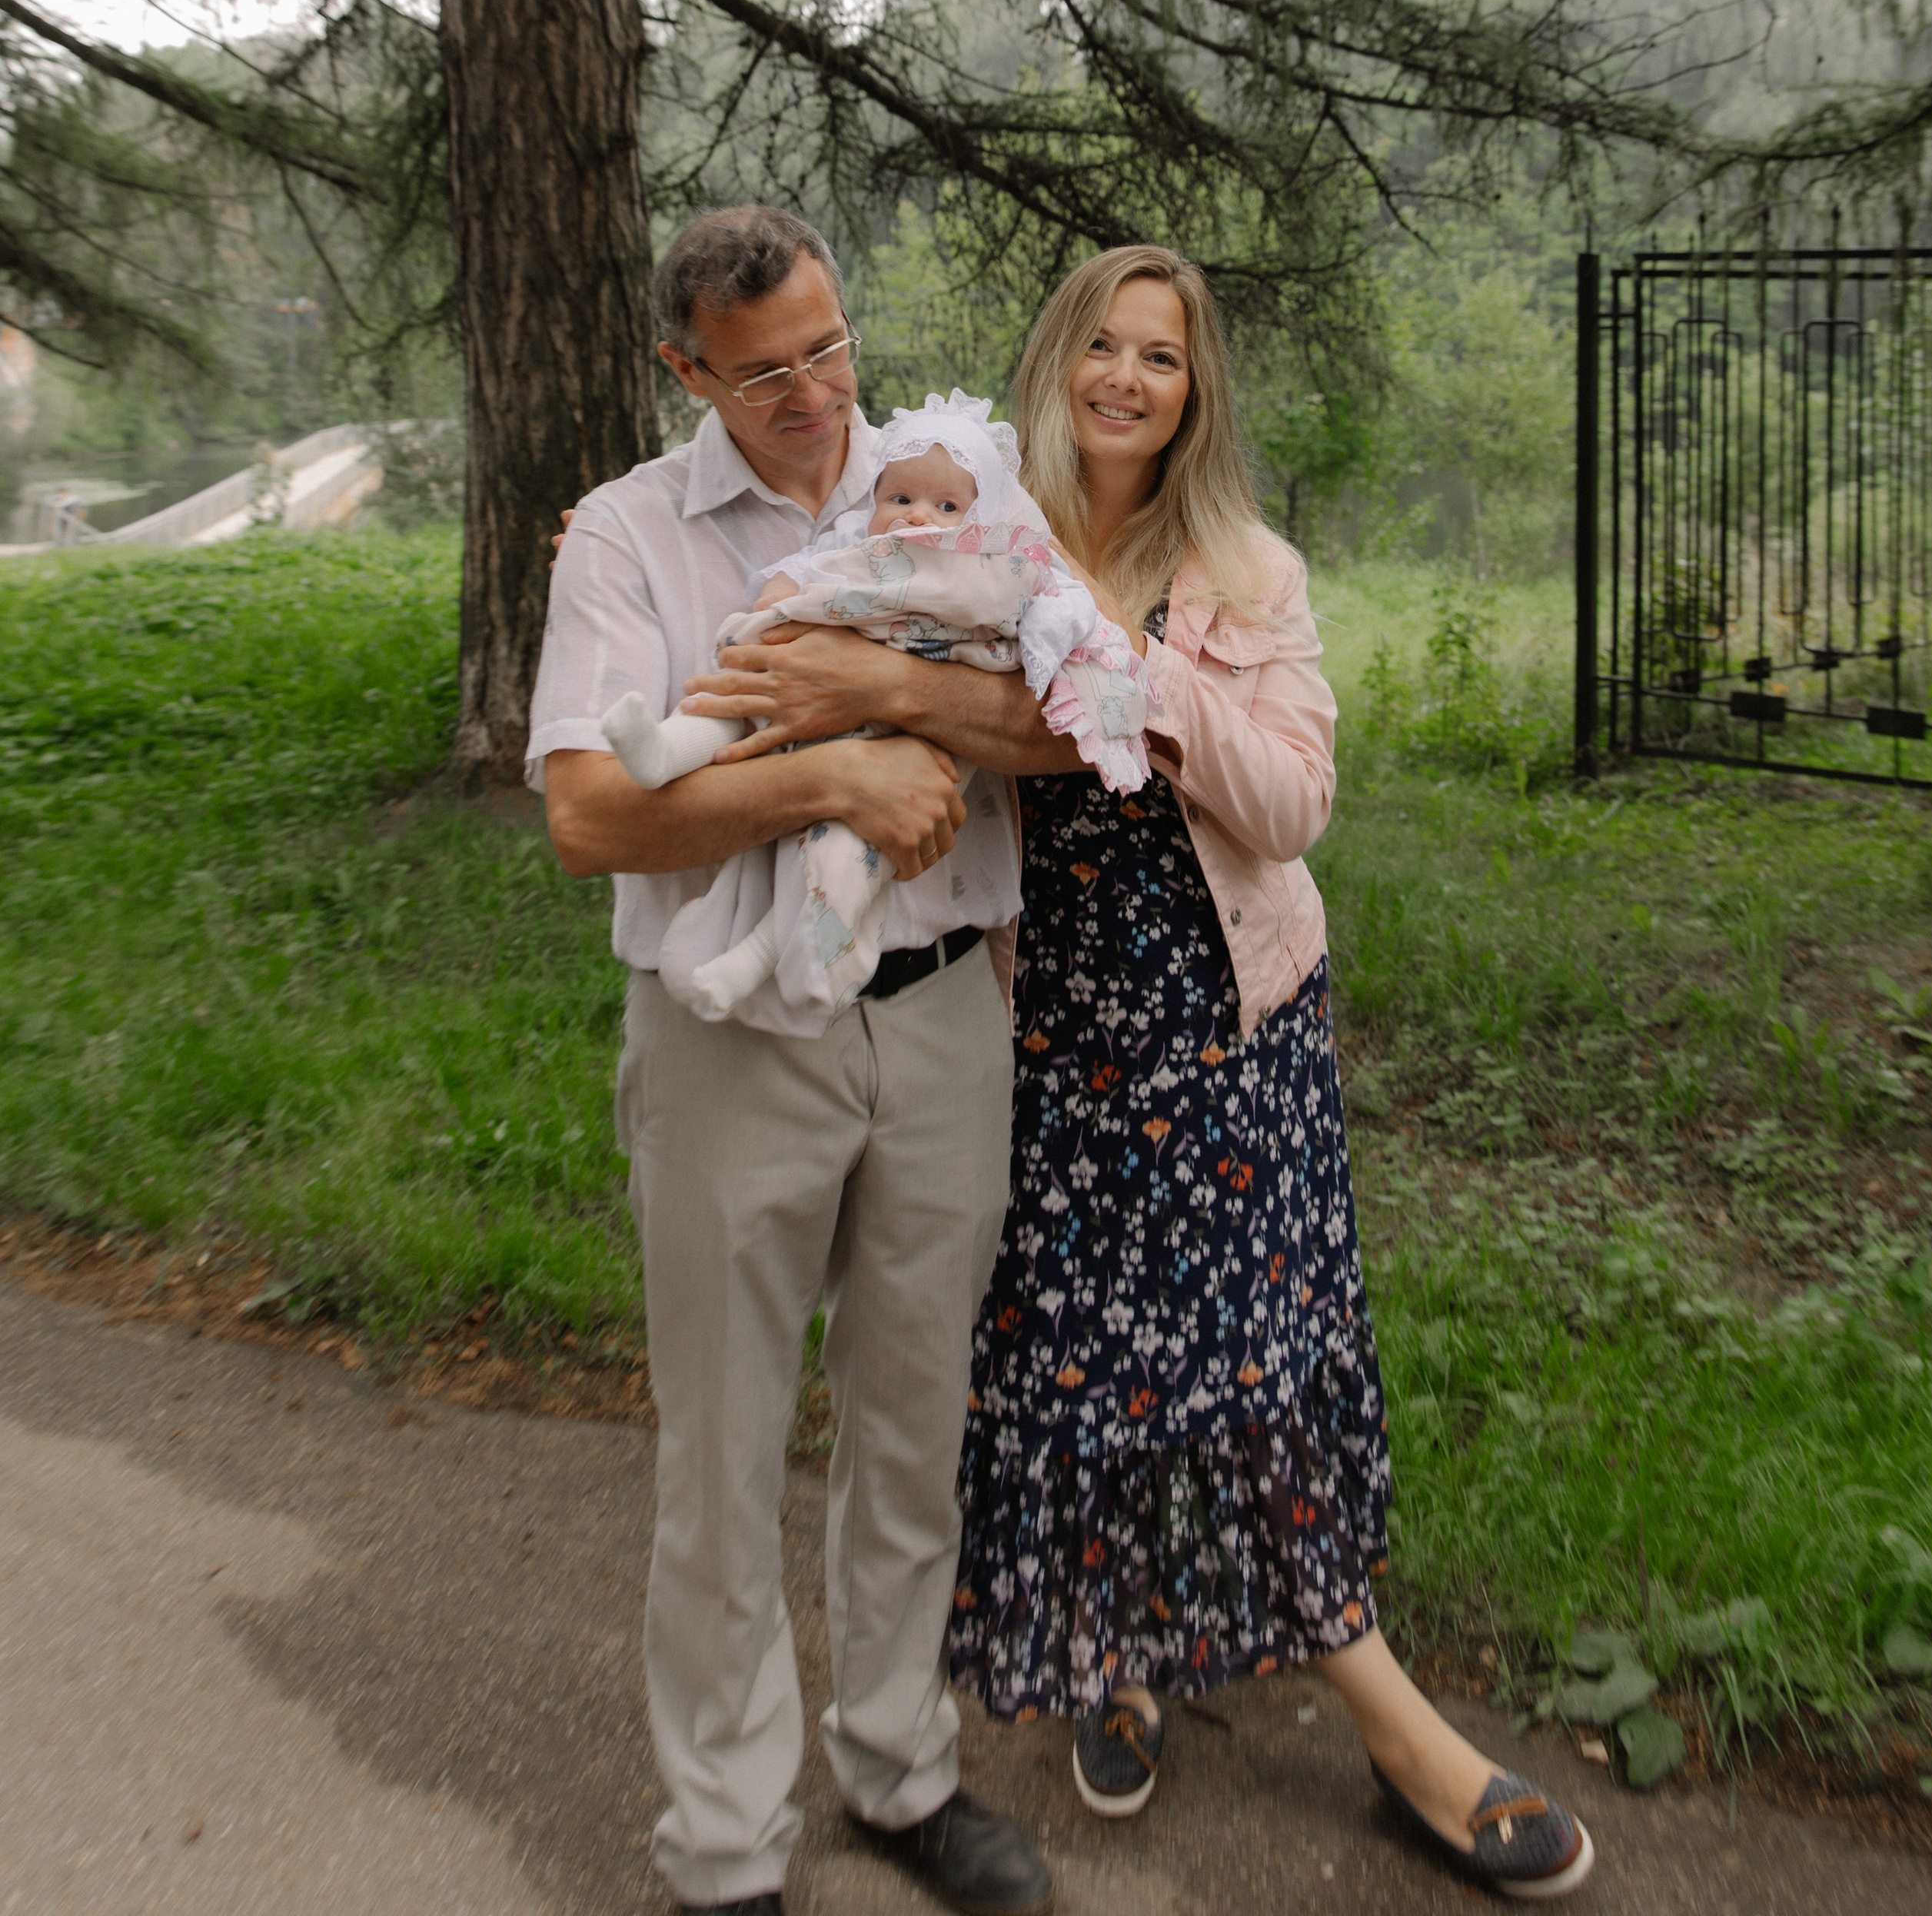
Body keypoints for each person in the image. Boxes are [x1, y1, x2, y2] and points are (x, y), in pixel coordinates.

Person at [694, 243, 1595, 1903]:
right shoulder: (977, 523)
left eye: (1159, 358)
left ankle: (1387, 1715)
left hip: (1219, 1038)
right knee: (1069, 1369)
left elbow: (1293, 805)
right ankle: (1117, 1651)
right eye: (1099, 345)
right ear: (1055, 363)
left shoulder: (1246, 570)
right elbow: (809, 541)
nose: (1124, 376)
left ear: (1194, 391)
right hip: (1035, 1034)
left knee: (1244, 1370)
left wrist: (1136, 668)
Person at [530, 208, 1055, 1916]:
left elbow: (1060, 715)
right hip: (725, 1046)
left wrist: (854, 684)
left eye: (829, 348)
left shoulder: (947, 474)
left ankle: (900, 1770)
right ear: (687, 369)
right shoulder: (622, 536)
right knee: (725, 1455)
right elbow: (590, 810)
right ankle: (726, 1847)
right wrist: (832, 775)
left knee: (914, 1432)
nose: (817, 395)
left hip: (937, 1022)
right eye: (767, 375)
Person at [596, 391, 1151, 1030]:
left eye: (947, 506)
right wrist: (777, 602)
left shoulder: (1002, 561)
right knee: (741, 694)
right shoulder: (856, 541)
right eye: (901, 499)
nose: (919, 517)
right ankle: (664, 750)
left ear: (982, 515)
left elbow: (1069, 617)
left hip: (907, 741)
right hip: (803, 680)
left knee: (840, 859)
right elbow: (801, 572)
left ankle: (760, 956)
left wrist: (1045, 652)